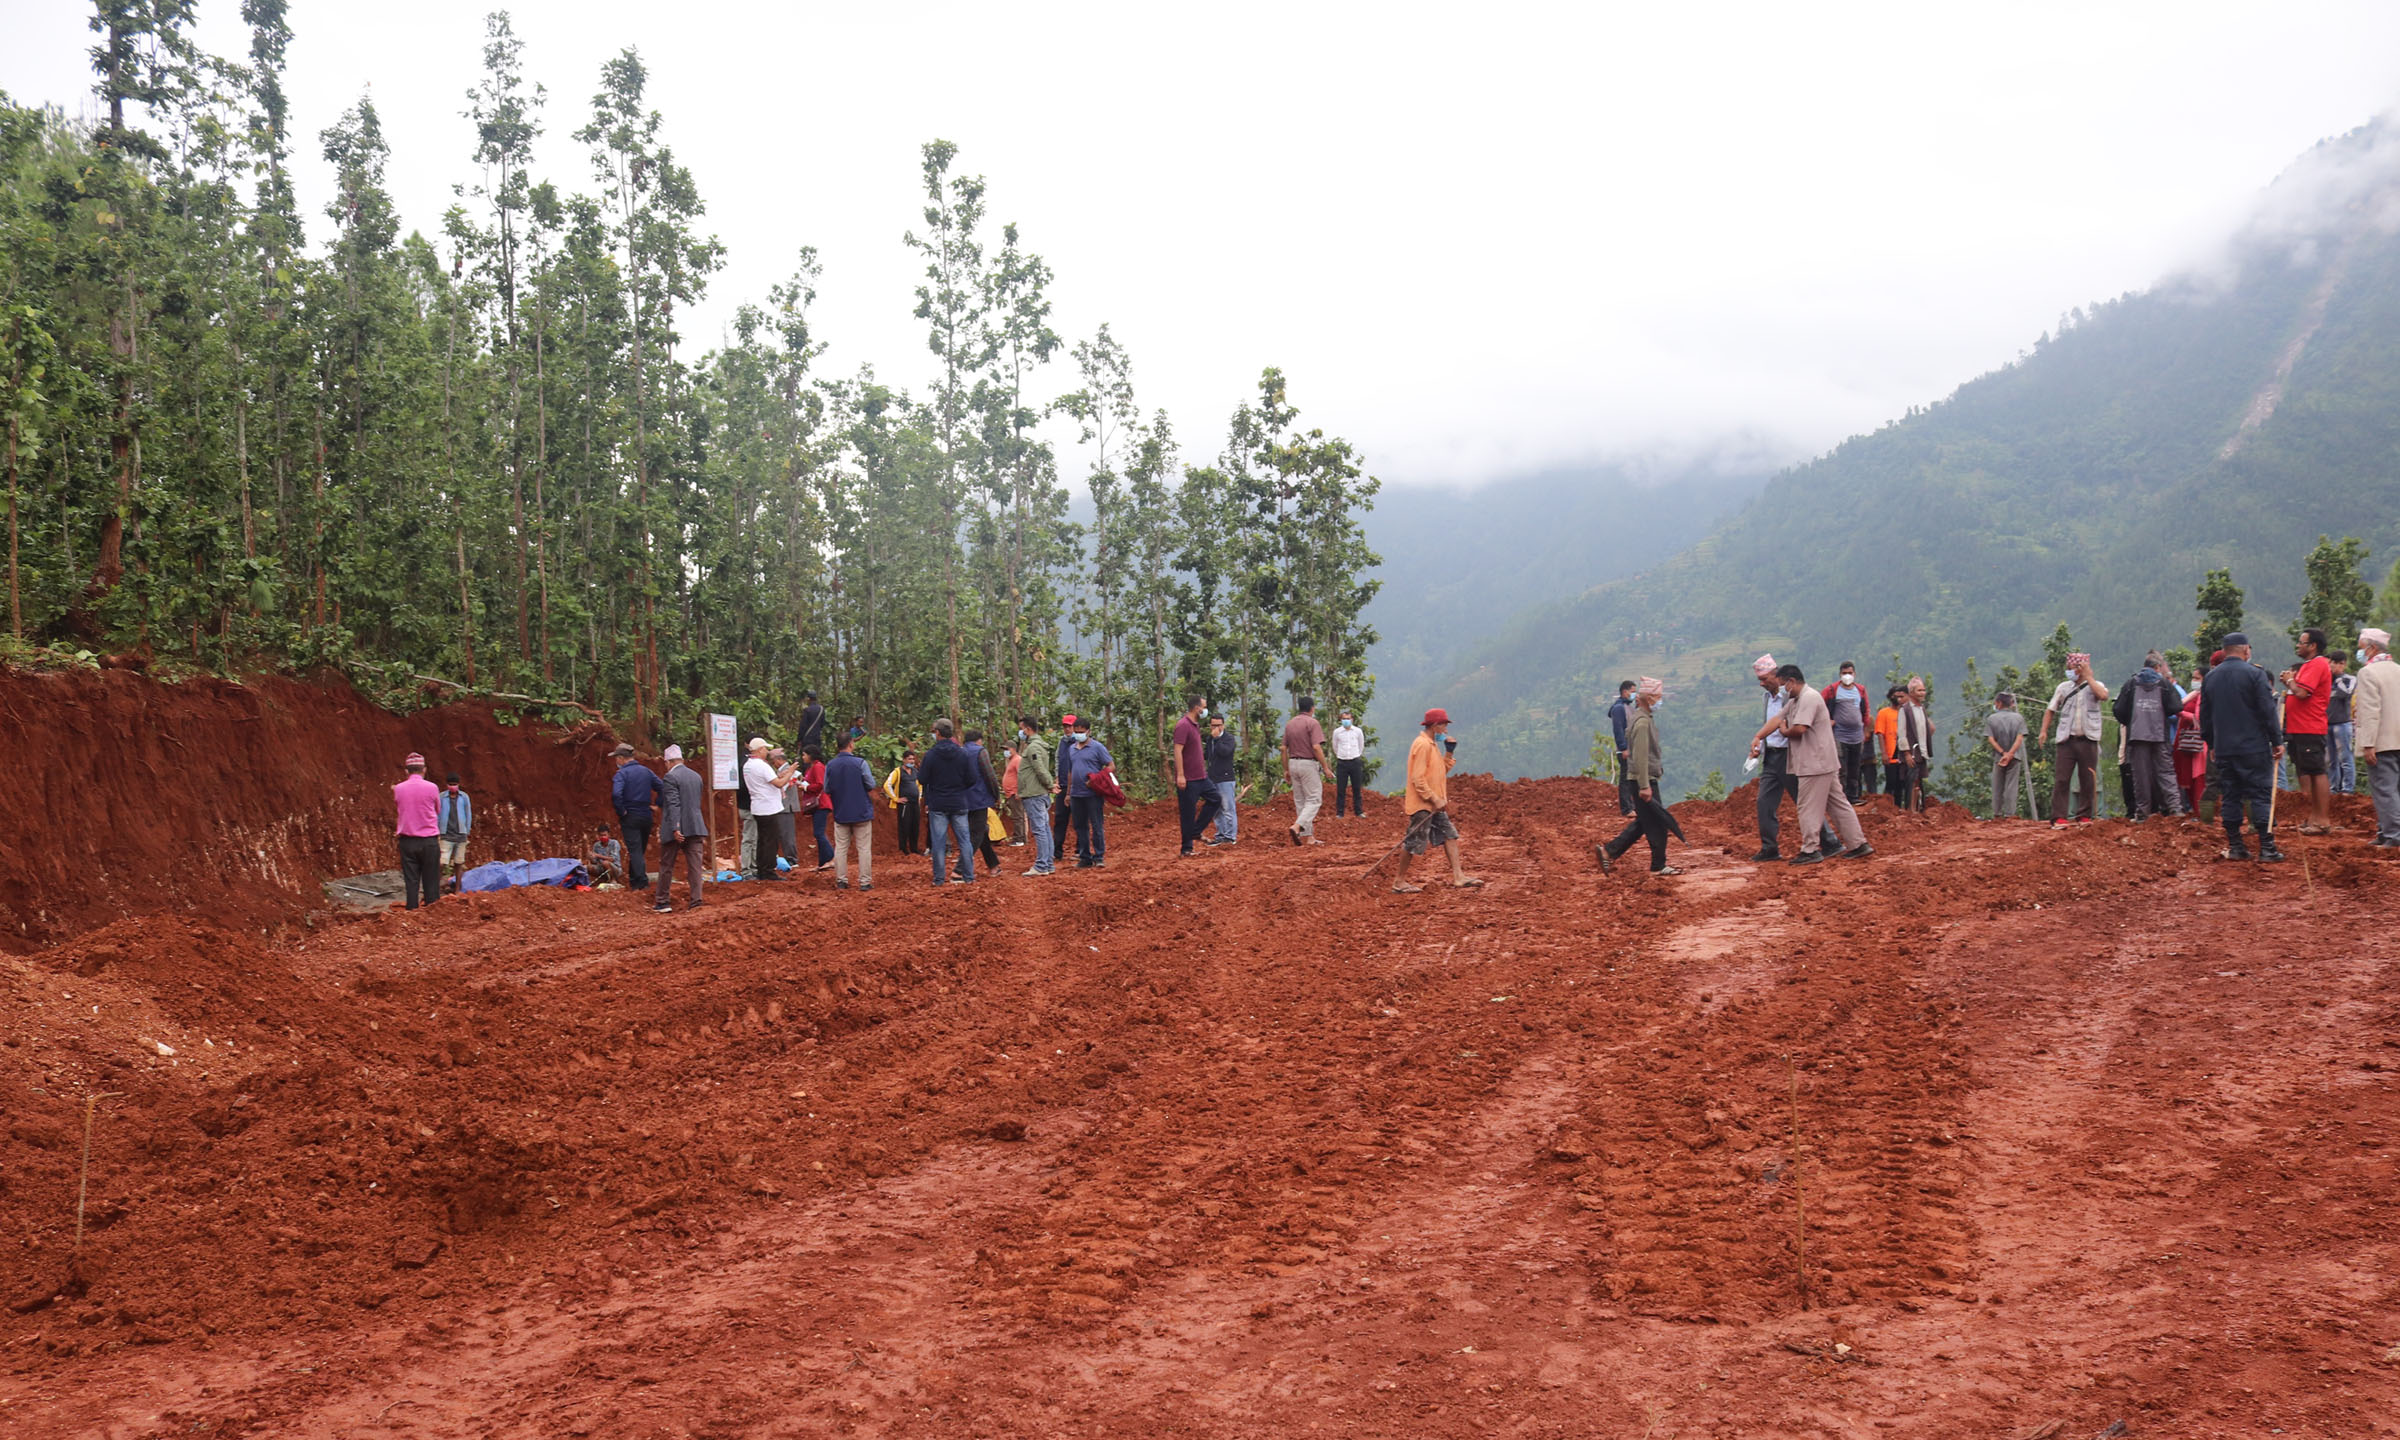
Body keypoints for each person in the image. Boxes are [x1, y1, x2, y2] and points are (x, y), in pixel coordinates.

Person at [1770, 664, 1872, 864]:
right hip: (1824, 761)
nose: (1782, 689)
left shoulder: (1808, 698)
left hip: (1814, 763)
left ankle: (1810, 850)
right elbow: (1777, 718)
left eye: (1783, 685)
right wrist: (1758, 737)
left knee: (1807, 806)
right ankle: (1858, 844)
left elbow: (1799, 729)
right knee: (1838, 805)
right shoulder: (1796, 700)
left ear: (1791, 681)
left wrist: (1784, 731)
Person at [1747, 654, 1837, 861]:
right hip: (1772, 755)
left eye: (1765, 679)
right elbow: (1772, 723)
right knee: (1764, 802)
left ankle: (1829, 841)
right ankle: (1769, 847)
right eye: (1759, 680)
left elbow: (1798, 727)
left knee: (1805, 801)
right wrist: (1759, 740)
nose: (1762, 684)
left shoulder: (1793, 696)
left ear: (1776, 675)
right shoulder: (1767, 699)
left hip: (1791, 755)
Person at [1392, 708, 1480, 892]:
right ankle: (1399, 882)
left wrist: (1449, 753)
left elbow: (1439, 773)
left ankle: (1458, 876)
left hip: (1435, 804)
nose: (1446, 731)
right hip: (1424, 804)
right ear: (1434, 726)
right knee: (1413, 842)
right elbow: (1418, 779)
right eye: (1444, 726)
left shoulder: (1432, 745)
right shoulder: (1423, 745)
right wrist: (1433, 798)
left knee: (1450, 835)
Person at [1597, 678, 1677, 876]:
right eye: (1657, 697)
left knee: (1646, 820)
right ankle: (1658, 865)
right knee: (1657, 821)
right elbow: (1640, 756)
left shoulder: (1642, 717)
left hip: (1643, 777)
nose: (1660, 701)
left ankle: (1610, 851)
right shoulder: (1641, 723)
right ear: (1648, 698)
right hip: (1643, 778)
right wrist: (1644, 786)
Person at [2038, 653, 2109, 826]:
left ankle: (2084, 815)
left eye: (2072, 669)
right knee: (2062, 778)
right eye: (2068, 669)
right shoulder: (2063, 687)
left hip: (2088, 738)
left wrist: (2089, 677)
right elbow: (2051, 709)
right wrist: (2044, 731)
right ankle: (2059, 816)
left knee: (2087, 778)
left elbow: (2103, 696)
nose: (2069, 672)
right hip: (2066, 740)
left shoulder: (2095, 686)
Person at [2113, 651, 2185, 822]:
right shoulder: (2164, 683)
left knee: (2140, 776)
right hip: (2159, 735)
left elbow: (2118, 710)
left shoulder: (2131, 683)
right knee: (2166, 772)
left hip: (2137, 737)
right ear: (2157, 667)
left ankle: (2142, 814)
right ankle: (2176, 809)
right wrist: (2162, 715)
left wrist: (2131, 722)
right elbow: (2176, 706)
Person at [2280, 627, 2335, 834]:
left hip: (2310, 726)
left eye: (2301, 642)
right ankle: (2313, 817)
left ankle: (2322, 820)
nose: (2298, 645)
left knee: (2316, 771)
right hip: (2301, 727)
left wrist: (2290, 681)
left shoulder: (2317, 664)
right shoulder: (2308, 665)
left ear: (2313, 646)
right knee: (2308, 772)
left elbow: (2302, 692)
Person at [2351, 628, 2400, 846]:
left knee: (2384, 790)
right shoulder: (2397, 669)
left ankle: (2393, 835)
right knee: (2395, 789)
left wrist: (2368, 743)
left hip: (2382, 741)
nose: (2359, 652)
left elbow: (2371, 711)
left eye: (2361, 648)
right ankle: (2384, 831)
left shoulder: (2368, 673)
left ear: (2371, 648)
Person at [919, 719, 978, 884]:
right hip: (959, 802)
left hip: (938, 803)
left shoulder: (930, 755)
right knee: (964, 841)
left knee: (938, 843)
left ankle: (938, 879)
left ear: (937, 733)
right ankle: (969, 877)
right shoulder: (963, 753)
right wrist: (959, 787)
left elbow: (922, 778)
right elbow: (972, 778)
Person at [652, 743, 709, 912]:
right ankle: (696, 901)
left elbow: (673, 804)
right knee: (695, 866)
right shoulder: (696, 776)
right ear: (681, 759)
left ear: (668, 762)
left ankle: (662, 902)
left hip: (676, 829)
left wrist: (676, 827)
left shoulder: (670, 778)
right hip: (696, 825)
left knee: (667, 865)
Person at [1170, 696, 1224, 858]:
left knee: (1215, 799)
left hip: (1201, 776)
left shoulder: (1195, 725)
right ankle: (1186, 849)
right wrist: (1180, 775)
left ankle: (1195, 831)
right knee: (1188, 812)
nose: (1205, 710)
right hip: (1188, 778)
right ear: (1196, 708)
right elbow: (1177, 750)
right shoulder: (1183, 726)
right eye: (1204, 707)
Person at [824, 733, 876, 892]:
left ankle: (841, 880)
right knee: (864, 849)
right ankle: (865, 882)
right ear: (851, 744)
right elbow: (871, 784)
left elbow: (826, 788)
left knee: (840, 848)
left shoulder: (831, 765)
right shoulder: (860, 763)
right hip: (861, 812)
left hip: (841, 812)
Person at [393, 752, 442, 910]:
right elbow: (437, 810)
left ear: (406, 771)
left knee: (411, 880)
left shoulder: (399, 789)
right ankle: (432, 909)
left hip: (407, 841)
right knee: (431, 879)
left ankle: (412, 910)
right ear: (424, 770)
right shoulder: (432, 787)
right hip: (429, 841)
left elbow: (399, 807)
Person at [1065, 717, 1116, 868]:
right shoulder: (1072, 749)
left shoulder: (1097, 747)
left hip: (1093, 794)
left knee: (1096, 824)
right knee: (1080, 826)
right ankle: (1085, 857)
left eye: (1081, 732)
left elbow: (1111, 766)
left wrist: (1097, 779)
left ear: (1088, 731)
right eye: (1076, 732)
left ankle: (1099, 856)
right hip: (1076, 794)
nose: (1078, 734)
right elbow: (1070, 771)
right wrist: (1068, 792)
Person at [611, 742, 662, 889]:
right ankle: (634, 880)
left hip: (631, 815)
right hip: (646, 815)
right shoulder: (646, 771)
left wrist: (622, 811)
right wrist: (657, 804)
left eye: (616, 758)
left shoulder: (622, 774)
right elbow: (662, 787)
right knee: (639, 849)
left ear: (621, 758)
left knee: (635, 850)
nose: (616, 762)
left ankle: (641, 883)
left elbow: (616, 794)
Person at [1825, 662, 1873, 804]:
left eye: (1850, 673)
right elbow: (1819, 704)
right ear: (1840, 674)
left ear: (1854, 674)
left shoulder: (1860, 690)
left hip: (1857, 736)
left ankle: (1853, 797)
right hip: (1839, 735)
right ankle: (1840, 798)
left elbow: (1866, 710)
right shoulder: (1832, 690)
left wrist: (1865, 728)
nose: (1847, 676)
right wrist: (1827, 720)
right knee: (1841, 768)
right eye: (1844, 673)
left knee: (1855, 767)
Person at [1014, 718, 1057, 876]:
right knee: (1044, 829)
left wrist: (1050, 785)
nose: (1020, 733)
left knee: (1040, 830)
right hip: (1038, 792)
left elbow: (1039, 769)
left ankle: (1041, 865)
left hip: (1034, 794)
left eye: (1021, 729)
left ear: (1027, 729)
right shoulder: (1039, 746)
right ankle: (1048, 864)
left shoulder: (1033, 748)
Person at [743, 737, 790, 882]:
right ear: (760, 750)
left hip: (758, 806)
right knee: (771, 840)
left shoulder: (748, 765)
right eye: (765, 749)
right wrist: (790, 773)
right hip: (768, 807)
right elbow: (779, 783)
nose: (767, 751)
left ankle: (761, 869)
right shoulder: (761, 766)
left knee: (762, 840)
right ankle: (769, 871)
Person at [1282, 696, 1327, 846]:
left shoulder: (1290, 724)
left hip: (1293, 762)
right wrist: (1325, 767)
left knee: (1300, 801)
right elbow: (1316, 747)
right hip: (1308, 763)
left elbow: (1283, 748)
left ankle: (1309, 837)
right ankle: (1297, 826)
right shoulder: (1312, 723)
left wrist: (1285, 769)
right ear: (1312, 708)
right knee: (1314, 799)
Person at [962, 728, 1005, 874]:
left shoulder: (960, 752)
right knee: (977, 833)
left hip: (962, 800)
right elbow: (989, 775)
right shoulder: (980, 751)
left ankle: (993, 865)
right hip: (979, 799)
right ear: (979, 740)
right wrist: (997, 795)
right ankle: (960, 869)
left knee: (980, 832)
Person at [1986, 692, 2027, 818]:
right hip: (2015, 757)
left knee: (1997, 785)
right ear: (2011, 704)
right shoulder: (2019, 718)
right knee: (2012, 786)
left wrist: (2003, 753)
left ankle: (1997, 813)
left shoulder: (1991, 719)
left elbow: (1991, 739)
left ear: (1999, 703)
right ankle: (2010, 814)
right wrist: (2010, 754)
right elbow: (2019, 739)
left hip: (1999, 757)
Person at [2174, 681, 2209, 818]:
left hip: (2201, 743)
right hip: (2190, 743)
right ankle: (2198, 812)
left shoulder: (2206, 696)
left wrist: (2185, 714)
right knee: (2191, 779)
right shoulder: (2193, 696)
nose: (2195, 681)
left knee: (2200, 778)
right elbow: (2176, 707)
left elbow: (2200, 718)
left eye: (2198, 678)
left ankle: (2204, 815)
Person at [795, 745, 833, 870]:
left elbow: (820, 784)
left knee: (819, 833)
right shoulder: (813, 767)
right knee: (818, 833)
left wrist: (805, 787)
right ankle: (823, 863)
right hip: (818, 804)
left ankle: (832, 858)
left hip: (821, 803)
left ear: (810, 755)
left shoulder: (817, 767)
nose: (803, 757)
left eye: (804, 754)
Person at [1899, 678, 1934, 812]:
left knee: (1919, 780)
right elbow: (1901, 734)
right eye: (1920, 690)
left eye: (1924, 690)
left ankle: (1918, 808)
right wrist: (1906, 754)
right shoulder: (1905, 710)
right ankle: (1910, 809)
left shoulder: (1921, 708)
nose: (1923, 693)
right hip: (1912, 752)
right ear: (1912, 692)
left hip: (1922, 750)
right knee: (1911, 780)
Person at [1206, 712, 1240, 845]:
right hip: (1212, 778)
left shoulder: (1228, 739)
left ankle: (1230, 836)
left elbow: (1225, 752)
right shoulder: (1209, 740)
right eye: (1213, 725)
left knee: (1228, 807)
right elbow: (1207, 755)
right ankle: (1220, 834)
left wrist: (1217, 739)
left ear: (1223, 725)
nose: (1216, 728)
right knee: (1216, 808)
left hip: (1225, 778)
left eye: (1218, 725)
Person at [2327, 652, 2357, 796]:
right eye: (2333, 662)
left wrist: (2338, 679)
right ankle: (2333, 788)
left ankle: (2347, 788)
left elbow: (2346, 693)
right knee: (2331, 760)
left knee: (2345, 757)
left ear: (2343, 664)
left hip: (2343, 724)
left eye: (2339, 663)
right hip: (2326, 724)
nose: (2335, 666)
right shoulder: (2325, 680)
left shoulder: (2349, 679)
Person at [438, 773, 474, 891]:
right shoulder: (442, 797)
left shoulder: (464, 797)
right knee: (441, 863)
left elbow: (468, 814)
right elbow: (437, 814)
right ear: (447, 785)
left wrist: (467, 830)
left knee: (459, 862)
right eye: (450, 784)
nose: (452, 786)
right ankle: (434, 889)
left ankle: (457, 890)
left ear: (458, 784)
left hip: (460, 834)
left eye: (455, 784)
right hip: (446, 834)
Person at [884, 747, 923, 856]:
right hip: (905, 804)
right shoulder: (897, 771)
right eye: (909, 759)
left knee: (915, 826)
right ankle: (903, 849)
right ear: (904, 760)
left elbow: (919, 786)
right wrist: (896, 799)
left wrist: (919, 798)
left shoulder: (915, 771)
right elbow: (887, 785)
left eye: (913, 759)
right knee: (904, 826)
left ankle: (914, 849)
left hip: (915, 803)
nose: (911, 761)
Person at [1330, 707, 1368, 818]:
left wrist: (1355, 756)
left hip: (1355, 761)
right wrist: (1340, 756)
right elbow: (1335, 746)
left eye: (1348, 718)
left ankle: (1359, 811)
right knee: (1341, 788)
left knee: (1357, 788)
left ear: (1352, 719)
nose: (1346, 720)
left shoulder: (1358, 731)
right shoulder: (1337, 732)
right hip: (1342, 762)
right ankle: (1340, 812)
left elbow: (1361, 746)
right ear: (1341, 720)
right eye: (1343, 718)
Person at [1606, 680, 1637, 815]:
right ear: (1625, 692)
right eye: (1632, 691)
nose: (1634, 694)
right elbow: (1618, 730)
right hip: (1625, 750)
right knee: (1625, 779)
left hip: (1632, 748)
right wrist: (1623, 748)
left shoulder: (1629, 707)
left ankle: (1633, 806)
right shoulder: (1619, 708)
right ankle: (1626, 809)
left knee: (1632, 779)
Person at [1874, 687, 1908, 805]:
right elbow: (1880, 733)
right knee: (1891, 782)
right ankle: (1887, 807)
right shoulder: (1884, 713)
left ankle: (1899, 808)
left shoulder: (1906, 713)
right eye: (1895, 695)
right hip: (1890, 753)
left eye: (1901, 695)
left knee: (1901, 784)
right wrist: (1883, 753)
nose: (1898, 698)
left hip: (1904, 754)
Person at [794, 691, 826, 758]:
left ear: (808, 699)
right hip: (817, 738)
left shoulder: (807, 710)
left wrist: (799, 739)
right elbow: (822, 724)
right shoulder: (821, 709)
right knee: (816, 757)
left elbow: (803, 726)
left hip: (807, 739)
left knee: (807, 757)